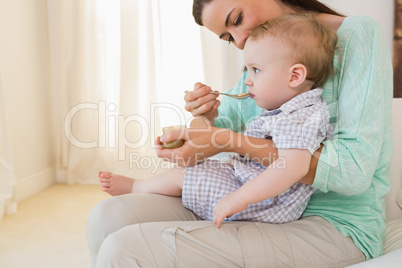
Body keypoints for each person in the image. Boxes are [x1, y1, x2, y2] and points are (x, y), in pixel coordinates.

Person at [87, 0, 393, 267]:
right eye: (227, 37)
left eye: (237, 20)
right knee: (107, 216)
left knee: (125, 249)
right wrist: (203, 119)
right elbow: (211, 136)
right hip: (258, 206)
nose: (241, 40)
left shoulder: (357, 35)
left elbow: (354, 171)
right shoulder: (262, 59)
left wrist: (231, 142)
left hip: (334, 226)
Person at [98, 13, 336, 229]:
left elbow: (293, 167)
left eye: (256, 70)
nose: (248, 81)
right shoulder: (291, 107)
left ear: (295, 76)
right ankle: (144, 188)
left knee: (186, 174)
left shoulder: (301, 115)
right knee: (192, 169)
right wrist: (204, 116)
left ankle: (136, 187)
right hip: (256, 191)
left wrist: (240, 198)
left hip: (264, 203)